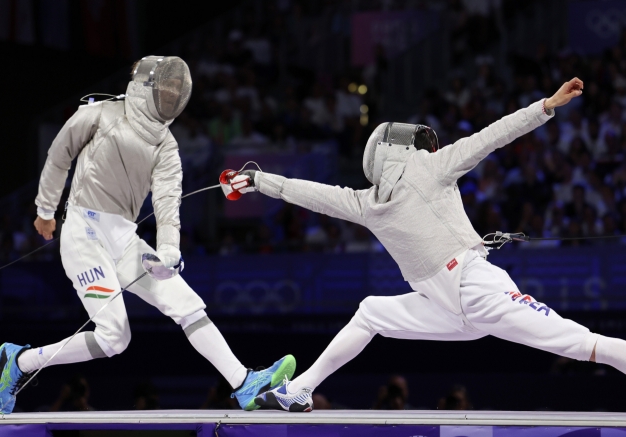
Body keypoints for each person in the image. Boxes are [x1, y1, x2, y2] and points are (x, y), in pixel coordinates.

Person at [233, 78, 626, 412]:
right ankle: (301, 389)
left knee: (582, 343)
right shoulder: (406, 181)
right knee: (370, 312)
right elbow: (493, 135)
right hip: (445, 304)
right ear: (395, 148)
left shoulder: (366, 203)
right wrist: (544, 106)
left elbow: (309, 193)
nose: (422, 146)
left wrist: (257, 181)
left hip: (475, 289)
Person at [0, 56, 295, 415]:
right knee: (114, 336)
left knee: (185, 302)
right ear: (144, 85)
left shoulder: (166, 147)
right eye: (165, 87)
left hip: (124, 237)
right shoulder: (101, 113)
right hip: (82, 231)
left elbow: (168, 204)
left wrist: (168, 251)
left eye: (176, 91)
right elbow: (60, 155)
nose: (171, 95)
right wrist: (45, 211)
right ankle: (21, 361)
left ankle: (244, 383)